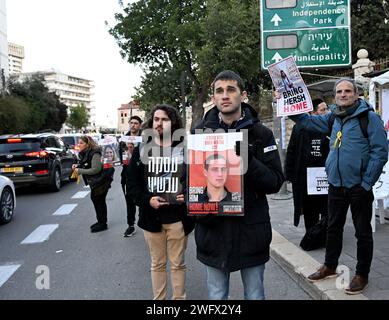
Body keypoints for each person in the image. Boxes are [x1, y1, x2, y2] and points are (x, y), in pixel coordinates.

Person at [287, 78, 388, 294]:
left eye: (347, 91)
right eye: (339, 91)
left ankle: (362, 274)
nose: (343, 94)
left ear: (356, 94)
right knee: (332, 227)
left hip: (359, 186)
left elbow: (380, 152)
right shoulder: (333, 118)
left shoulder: (369, 118)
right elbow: (306, 121)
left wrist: (366, 183)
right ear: (335, 95)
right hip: (335, 184)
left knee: (362, 232)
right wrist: (287, 104)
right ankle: (330, 265)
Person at [193, 70, 284, 300]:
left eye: (231, 90)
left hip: (251, 231)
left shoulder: (261, 134)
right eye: (219, 91)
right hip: (212, 233)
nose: (225, 96)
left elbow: (275, 181)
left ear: (242, 95)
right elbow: (190, 183)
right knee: (216, 296)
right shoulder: (198, 135)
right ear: (213, 98)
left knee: (255, 295)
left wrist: (248, 162)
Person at [126, 104, 194, 300]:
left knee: (178, 264)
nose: (159, 123)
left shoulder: (184, 149)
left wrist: (187, 195)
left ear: (173, 122)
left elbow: (196, 179)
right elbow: (132, 185)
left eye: (164, 119)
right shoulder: (142, 150)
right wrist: (148, 200)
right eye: (156, 119)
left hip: (178, 219)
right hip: (152, 219)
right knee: (157, 264)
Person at [285, 98, 329, 248]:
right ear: (313, 112)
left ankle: (325, 236)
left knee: (327, 208)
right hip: (305, 177)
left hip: (325, 175)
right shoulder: (300, 127)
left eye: (326, 109)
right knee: (310, 210)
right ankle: (312, 236)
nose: (326, 113)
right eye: (322, 110)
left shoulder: (330, 127)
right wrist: (289, 174)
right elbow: (291, 151)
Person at [73, 135, 114, 233]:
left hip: (101, 180)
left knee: (98, 200)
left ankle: (102, 224)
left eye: (81, 143)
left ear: (88, 144)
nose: (79, 145)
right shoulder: (86, 153)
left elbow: (96, 169)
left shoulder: (95, 153)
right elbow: (87, 164)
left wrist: (80, 170)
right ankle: (101, 221)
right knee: (97, 200)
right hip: (97, 181)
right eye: (79, 143)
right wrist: (78, 166)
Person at [121, 115, 143, 237]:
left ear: (140, 125)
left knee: (141, 198)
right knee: (129, 200)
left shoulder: (144, 138)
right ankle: (131, 225)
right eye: (131, 123)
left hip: (141, 173)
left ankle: (142, 219)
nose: (133, 125)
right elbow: (118, 155)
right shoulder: (124, 139)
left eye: (136, 123)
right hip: (127, 173)